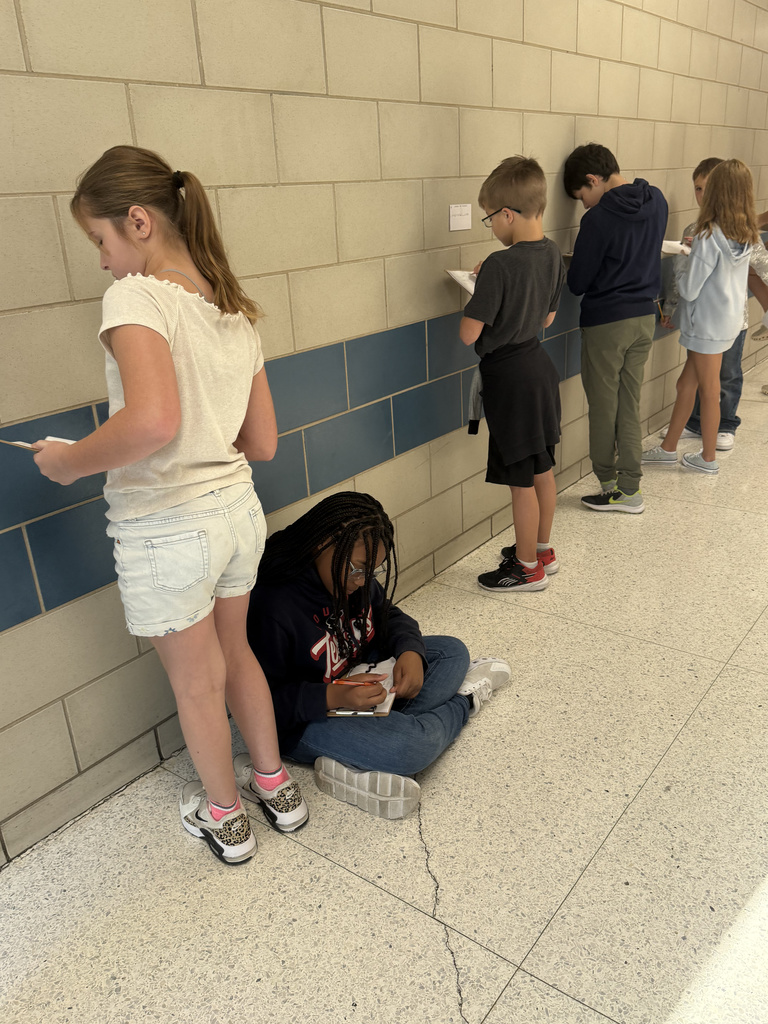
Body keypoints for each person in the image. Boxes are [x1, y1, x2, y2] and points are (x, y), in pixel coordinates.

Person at [32, 145, 307, 865]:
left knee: (195, 680)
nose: (101, 261)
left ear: (138, 221)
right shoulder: (231, 306)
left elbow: (152, 422)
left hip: (167, 528)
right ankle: (276, 788)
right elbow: (265, 441)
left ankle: (227, 818)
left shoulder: (136, 298)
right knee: (236, 654)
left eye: (101, 240)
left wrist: (67, 461)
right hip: (237, 514)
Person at [246, 492, 511, 819]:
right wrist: (333, 695)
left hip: (364, 678)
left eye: (371, 571)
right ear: (322, 544)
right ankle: (463, 702)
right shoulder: (272, 606)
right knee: (410, 747)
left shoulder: (355, 581)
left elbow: (388, 616)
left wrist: (410, 650)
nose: (361, 581)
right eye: (356, 569)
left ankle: (358, 758)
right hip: (306, 720)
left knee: (452, 651)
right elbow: (260, 705)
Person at [458, 156, 565, 592]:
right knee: (541, 468)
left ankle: (525, 569)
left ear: (506, 214)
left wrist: (482, 289)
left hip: (509, 381)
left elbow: (469, 335)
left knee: (519, 481)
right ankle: (542, 550)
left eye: (489, 220)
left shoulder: (499, 265)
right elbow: (546, 320)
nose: (492, 229)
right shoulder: (554, 252)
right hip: (539, 369)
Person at [564, 143, 668, 513]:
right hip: (644, 318)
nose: (584, 204)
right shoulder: (657, 200)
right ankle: (630, 489)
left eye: (582, 195)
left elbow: (578, 282)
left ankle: (608, 484)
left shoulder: (598, 219)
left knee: (603, 407)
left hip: (607, 322)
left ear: (593, 179)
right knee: (629, 403)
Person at [642, 159, 758, 473]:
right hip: (726, 322)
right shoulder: (744, 233)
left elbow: (691, 289)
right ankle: (668, 448)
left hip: (705, 325)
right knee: (685, 384)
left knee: (708, 390)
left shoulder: (707, 236)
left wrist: (683, 256)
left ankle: (708, 459)